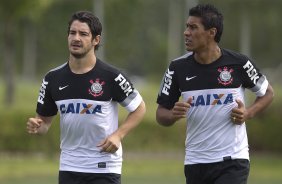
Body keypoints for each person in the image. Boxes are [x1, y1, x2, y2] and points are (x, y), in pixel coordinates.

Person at [156, 4, 274, 184]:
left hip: (233, 160)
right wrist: (172, 115)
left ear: (212, 32)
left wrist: (248, 113)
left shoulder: (239, 63)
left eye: (193, 27)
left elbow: (268, 93)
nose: (186, 32)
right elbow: (160, 114)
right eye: (187, 26)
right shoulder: (177, 68)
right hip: (196, 161)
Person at [26, 11, 146, 184]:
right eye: (72, 33)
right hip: (69, 166)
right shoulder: (52, 78)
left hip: (104, 166)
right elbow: (44, 123)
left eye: (83, 34)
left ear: (96, 40)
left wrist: (118, 135)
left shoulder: (111, 76)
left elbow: (139, 108)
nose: (76, 38)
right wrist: (37, 127)